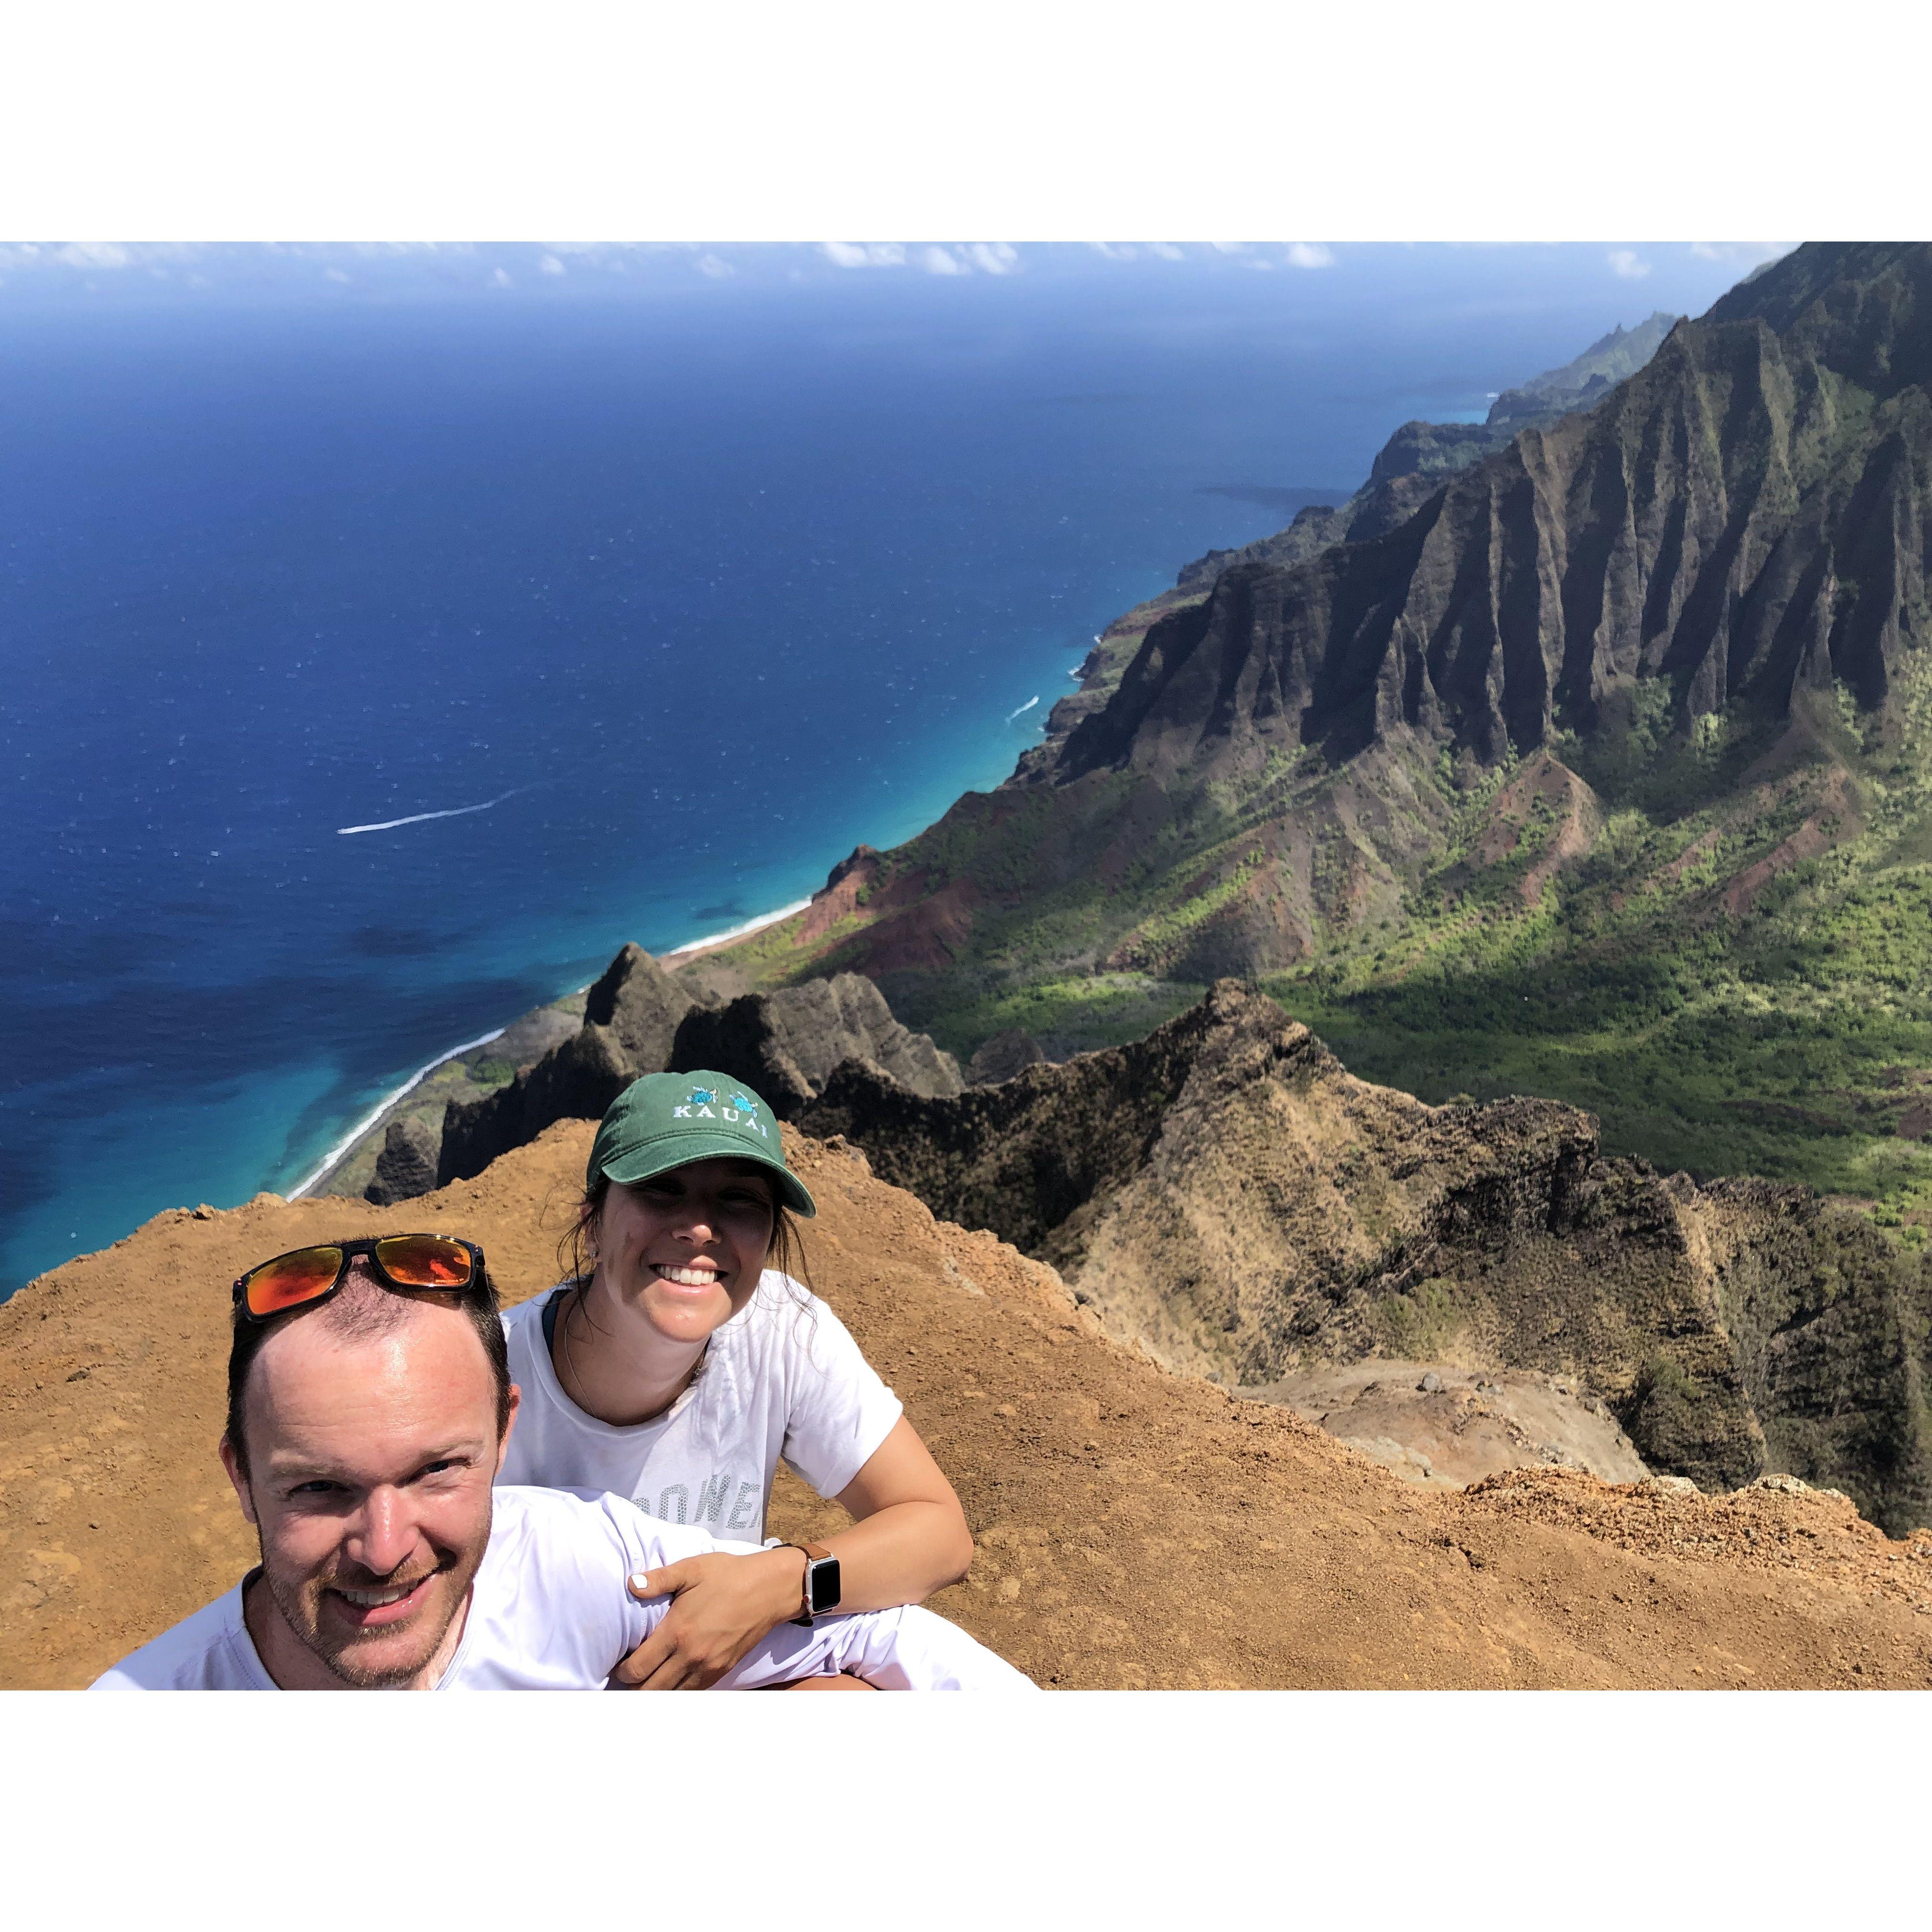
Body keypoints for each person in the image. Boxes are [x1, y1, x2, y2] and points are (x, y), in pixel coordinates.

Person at [93, 1235, 1034, 1691]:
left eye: (436, 1473)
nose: (384, 1550)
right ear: (239, 1476)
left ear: (503, 1439)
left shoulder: (569, 1554)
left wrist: (783, 1582)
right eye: (321, 1487)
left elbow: (915, 1599)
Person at [496, 1070, 974, 1689]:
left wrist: (779, 1584)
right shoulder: (489, 1372)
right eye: (661, 1190)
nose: (699, 1227)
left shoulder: (782, 1330)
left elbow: (939, 1532)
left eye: (739, 1201)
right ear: (592, 1221)